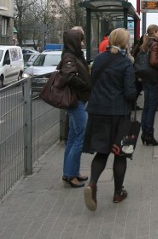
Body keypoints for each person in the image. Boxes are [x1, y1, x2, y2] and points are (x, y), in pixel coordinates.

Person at [82, 28, 138, 211]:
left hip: (97, 112)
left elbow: (92, 82)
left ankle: (92, 184)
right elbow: (130, 93)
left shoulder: (98, 60)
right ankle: (117, 193)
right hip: (118, 115)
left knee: (102, 152)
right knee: (120, 154)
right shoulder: (125, 63)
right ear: (125, 43)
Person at [59, 28, 92, 188]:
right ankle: (71, 175)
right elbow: (69, 76)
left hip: (78, 101)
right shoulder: (69, 57)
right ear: (74, 42)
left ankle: (71, 172)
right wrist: (85, 85)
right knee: (79, 138)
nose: (83, 43)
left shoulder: (73, 55)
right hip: (76, 101)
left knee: (73, 138)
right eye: (81, 40)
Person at [136, 24, 158, 145]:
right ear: (154, 32)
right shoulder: (155, 44)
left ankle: (144, 133)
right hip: (154, 79)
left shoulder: (145, 43)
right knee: (152, 108)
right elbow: (154, 61)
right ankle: (149, 135)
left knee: (147, 106)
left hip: (146, 78)